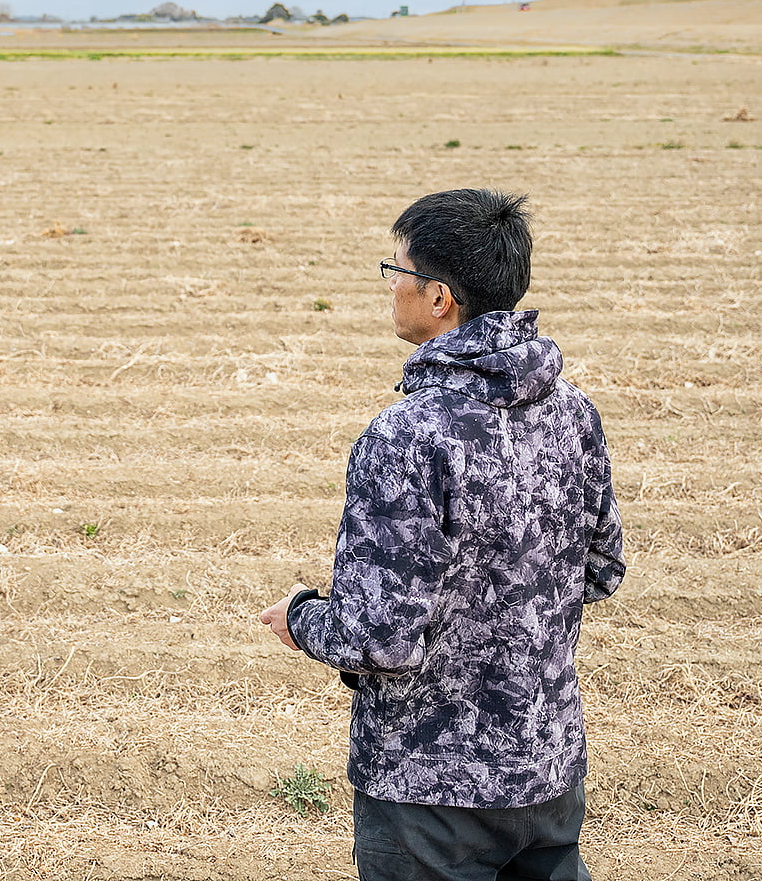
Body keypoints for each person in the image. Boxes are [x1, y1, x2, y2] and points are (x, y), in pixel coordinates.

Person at [259, 190, 625, 881]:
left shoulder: (408, 435)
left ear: (438, 300)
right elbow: (601, 570)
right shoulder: (574, 410)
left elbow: (379, 640)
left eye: (396, 270)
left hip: (429, 793)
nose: (390, 285)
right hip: (546, 769)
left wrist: (303, 616)